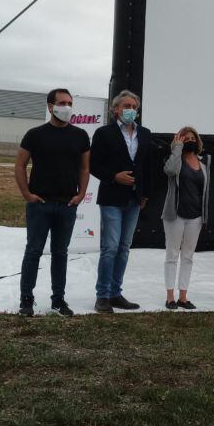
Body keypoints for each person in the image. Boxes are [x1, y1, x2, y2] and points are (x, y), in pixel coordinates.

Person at [14, 88, 91, 317]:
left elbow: (85, 167)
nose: (66, 107)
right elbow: (19, 165)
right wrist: (27, 194)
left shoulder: (80, 136)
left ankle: (58, 300)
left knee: (60, 253)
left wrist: (81, 194)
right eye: (61, 103)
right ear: (50, 106)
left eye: (69, 103)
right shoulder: (34, 134)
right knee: (33, 251)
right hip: (40, 204)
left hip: (67, 205)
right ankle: (26, 300)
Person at [89, 90, 153, 313]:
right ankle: (103, 295)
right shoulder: (103, 133)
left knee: (124, 248)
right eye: (126, 106)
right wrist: (114, 176)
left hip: (134, 199)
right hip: (111, 198)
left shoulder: (144, 133)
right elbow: (94, 165)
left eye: (134, 107)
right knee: (110, 248)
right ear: (115, 109)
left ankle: (116, 293)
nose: (130, 110)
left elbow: (146, 166)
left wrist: (143, 194)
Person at [162, 126, 210, 310]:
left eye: (192, 138)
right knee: (172, 255)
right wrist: (177, 148)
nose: (189, 140)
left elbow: (205, 191)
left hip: (195, 216)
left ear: (197, 141)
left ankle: (183, 296)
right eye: (185, 137)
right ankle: (170, 297)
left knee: (188, 256)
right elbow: (171, 171)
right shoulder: (175, 159)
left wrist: (204, 215)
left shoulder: (204, 163)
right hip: (175, 215)